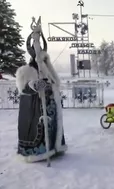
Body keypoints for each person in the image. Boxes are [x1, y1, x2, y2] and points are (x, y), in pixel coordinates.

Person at [15, 26, 67, 162]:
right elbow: (23, 89)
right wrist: (34, 85)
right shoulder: (25, 71)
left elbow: (55, 83)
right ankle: (38, 151)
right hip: (35, 108)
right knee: (39, 130)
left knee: (51, 129)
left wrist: (49, 86)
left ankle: (53, 148)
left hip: (49, 106)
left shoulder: (48, 70)